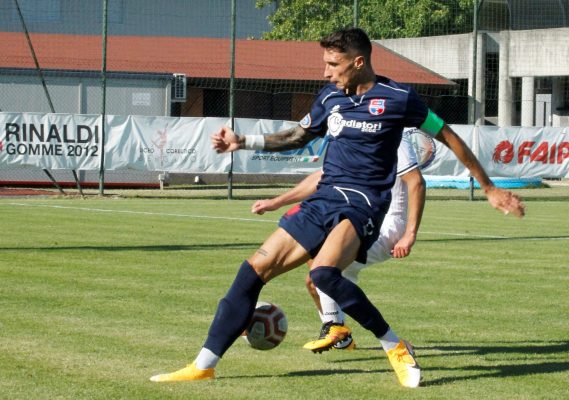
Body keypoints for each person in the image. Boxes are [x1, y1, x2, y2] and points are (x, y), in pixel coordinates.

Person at [150, 27, 525, 388]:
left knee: (325, 274)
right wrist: (243, 141)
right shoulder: (330, 98)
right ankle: (203, 366)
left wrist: (488, 187)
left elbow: (446, 134)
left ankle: (394, 345)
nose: (326, 72)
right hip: (324, 198)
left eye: (333, 64)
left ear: (358, 62)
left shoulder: (399, 98)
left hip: (363, 205)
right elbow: (298, 136)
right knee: (252, 270)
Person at [251, 136, 426, 351]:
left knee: (318, 259)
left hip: (387, 226)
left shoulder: (394, 132)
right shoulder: (355, 128)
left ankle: (341, 328)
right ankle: (342, 337)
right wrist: (275, 202)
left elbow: (415, 182)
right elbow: (322, 177)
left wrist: (409, 234)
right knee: (314, 282)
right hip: (363, 218)